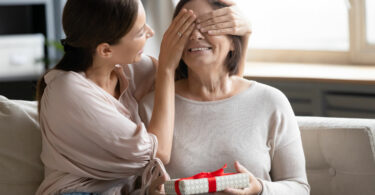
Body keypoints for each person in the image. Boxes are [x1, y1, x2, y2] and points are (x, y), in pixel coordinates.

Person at [140, 0, 311, 194]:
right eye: (186, 27)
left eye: (207, 26)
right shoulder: (150, 106)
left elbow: (299, 187)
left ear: (233, 41)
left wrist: (260, 189)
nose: (195, 35)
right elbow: (134, 188)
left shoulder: (271, 101)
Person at [35, 0, 198, 194]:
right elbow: (159, 152)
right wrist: (166, 69)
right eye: (139, 32)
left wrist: (241, 38)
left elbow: (201, 82)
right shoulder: (67, 90)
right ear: (105, 50)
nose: (150, 32)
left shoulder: (129, 68)